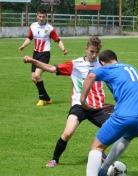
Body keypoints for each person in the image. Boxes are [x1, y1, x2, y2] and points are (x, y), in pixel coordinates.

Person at [23, 37, 113, 167]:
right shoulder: (75, 64)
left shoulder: (103, 65)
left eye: (96, 52)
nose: (94, 55)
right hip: (79, 105)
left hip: (97, 107)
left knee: (115, 129)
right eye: (92, 51)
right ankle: (55, 159)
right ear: (86, 49)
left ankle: (99, 152)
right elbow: (52, 69)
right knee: (68, 133)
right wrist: (33, 61)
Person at [75, 49, 138, 176]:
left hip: (125, 116)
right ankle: (103, 171)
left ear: (102, 62)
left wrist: (82, 100)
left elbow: (91, 75)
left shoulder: (108, 68)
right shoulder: (131, 68)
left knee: (96, 147)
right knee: (127, 137)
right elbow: (132, 91)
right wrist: (116, 105)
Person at [19, 8, 68, 106]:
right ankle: (47, 98)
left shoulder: (49, 28)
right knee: (33, 78)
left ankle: (41, 99)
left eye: (43, 17)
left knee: (37, 75)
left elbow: (57, 40)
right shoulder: (33, 26)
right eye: (40, 16)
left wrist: (63, 49)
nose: (41, 18)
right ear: (37, 16)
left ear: (46, 17)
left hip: (45, 54)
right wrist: (23, 45)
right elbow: (29, 38)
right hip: (35, 54)